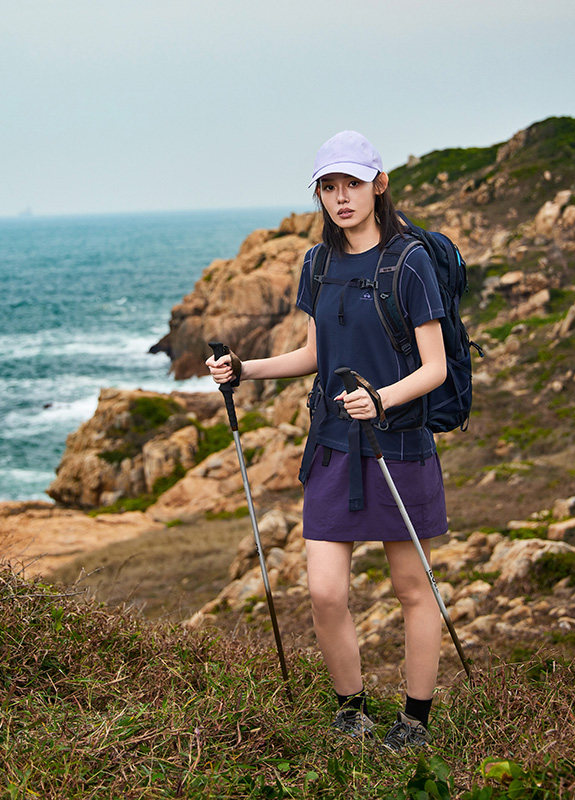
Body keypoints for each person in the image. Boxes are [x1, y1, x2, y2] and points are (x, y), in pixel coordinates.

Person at [207, 130, 448, 752]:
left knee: (412, 590)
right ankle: (351, 709)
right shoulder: (317, 263)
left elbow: (436, 367)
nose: (341, 198)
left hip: (399, 444)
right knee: (323, 592)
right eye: (329, 187)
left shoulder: (409, 261)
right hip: (333, 447)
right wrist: (245, 369)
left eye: (353, 184)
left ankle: (414, 721)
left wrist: (381, 399)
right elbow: (315, 354)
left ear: (379, 185)